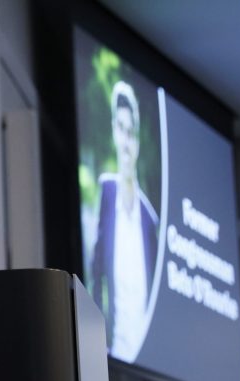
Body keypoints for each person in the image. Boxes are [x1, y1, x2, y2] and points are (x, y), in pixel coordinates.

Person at [91, 80, 158, 364]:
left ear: (138, 140)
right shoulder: (106, 193)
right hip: (110, 355)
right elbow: (94, 275)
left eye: (131, 132)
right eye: (121, 128)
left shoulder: (149, 219)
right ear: (114, 132)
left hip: (145, 355)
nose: (126, 142)